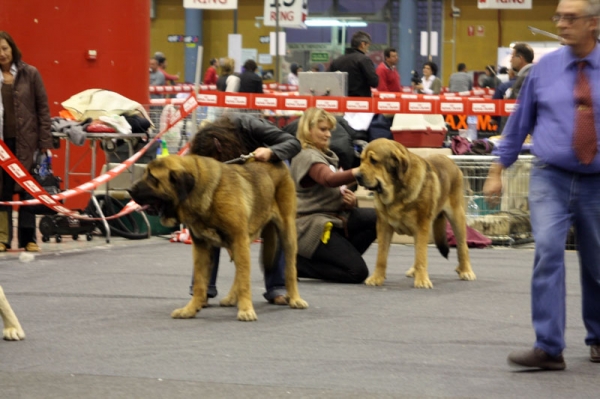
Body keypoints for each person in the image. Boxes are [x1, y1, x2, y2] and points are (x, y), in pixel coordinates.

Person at [483, 0, 600, 370]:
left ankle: (598, 338)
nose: (562, 24)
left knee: (597, 264)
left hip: (597, 181)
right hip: (550, 174)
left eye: (571, 18)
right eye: (559, 17)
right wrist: (497, 168)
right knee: (547, 250)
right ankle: (549, 347)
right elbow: (520, 122)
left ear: (594, 23)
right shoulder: (543, 70)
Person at [189, 113, 301, 305]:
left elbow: (293, 143)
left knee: (282, 230)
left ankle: (278, 287)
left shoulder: (250, 126)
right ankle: (203, 290)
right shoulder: (202, 145)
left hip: (268, 175)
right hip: (238, 182)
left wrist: (271, 152)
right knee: (207, 222)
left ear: (221, 147)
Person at [290, 108, 377, 284]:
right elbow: (329, 179)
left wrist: (349, 200)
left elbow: (334, 188)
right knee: (357, 273)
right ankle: (297, 265)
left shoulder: (327, 156)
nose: (328, 134)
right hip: (311, 225)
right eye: (323, 129)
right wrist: (360, 170)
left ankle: (342, 259)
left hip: (334, 217)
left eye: (329, 130)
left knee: (379, 218)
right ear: (308, 129)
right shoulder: (306, 156)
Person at [0, 31, 53, 252]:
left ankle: (28, 238)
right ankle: (2, 238)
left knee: (27, 189)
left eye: (4, 48)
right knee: (1, 192)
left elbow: (43, 109)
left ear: (12, 49)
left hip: (26, 142)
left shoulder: (30, 73)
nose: (1, 54)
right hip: (1, 146)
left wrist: (45, 142)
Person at [329, 31, 379, 97]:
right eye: (368, 45)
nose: (368, 49)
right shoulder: (364, 60)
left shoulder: (337, 60)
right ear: (363, 44)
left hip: (341, 101)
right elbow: (374, 82)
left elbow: (328, 79)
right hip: (360, 102)